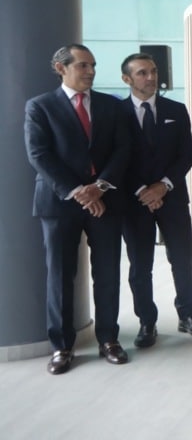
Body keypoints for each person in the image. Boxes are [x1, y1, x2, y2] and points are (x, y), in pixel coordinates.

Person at [24, 44, 132, 373]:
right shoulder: (39, 107)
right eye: (83, 65)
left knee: (108, 272)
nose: (90, 72)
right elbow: (39, 155)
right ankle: (61, 347)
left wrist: (99, 188)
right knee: (59, 275)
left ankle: (109, 339)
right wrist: (78, 192)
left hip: (106, 201)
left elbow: (123, 149)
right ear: (61, 67)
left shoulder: (110, 106)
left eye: (93, 66)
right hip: (58, 204)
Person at [119, 52, 192, 348]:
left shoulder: (176, 109)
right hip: (134, 202)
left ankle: (188, 314)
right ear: (127, 79)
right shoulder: (115, 113)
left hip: (172, 198)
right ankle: (147, 321)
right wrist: (143, 191)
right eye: (143, 73)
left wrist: (163, 187)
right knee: (140, 265)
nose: (151, 77)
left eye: (153, 71)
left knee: (182, 259)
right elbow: (116, 159)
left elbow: (187, 155)